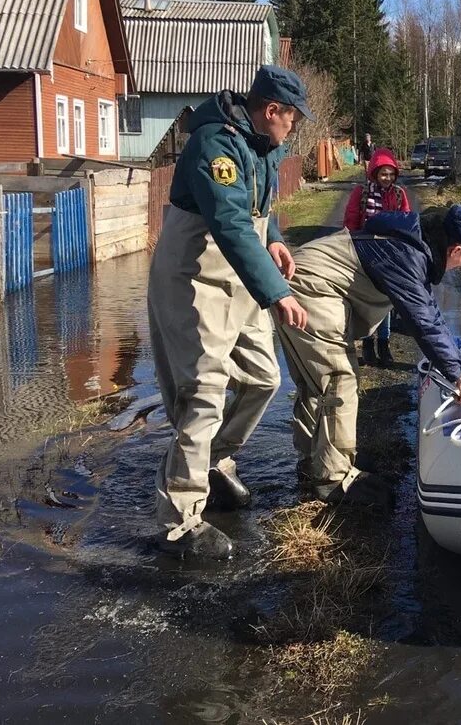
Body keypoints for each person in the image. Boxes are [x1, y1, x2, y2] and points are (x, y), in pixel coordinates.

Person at [148, 64, 313, 561]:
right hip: (195, 279)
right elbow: (229, 220)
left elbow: (261, 210)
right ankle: (179, 522)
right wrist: (276, 291)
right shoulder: (215, 144)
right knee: (202, 392)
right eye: (293, 119)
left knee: (264, 378)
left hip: (241, 275)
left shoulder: (263, 144)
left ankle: (216, 461)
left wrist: (277, 240)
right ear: (271, 111)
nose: (294, 127)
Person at [279, 205, 461, 508]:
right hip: (312, 288)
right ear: (456, 249)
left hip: (303, 279)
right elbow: (422, 321)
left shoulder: (412, 244)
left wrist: (458, 366)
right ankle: (334, 479)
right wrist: (458, 376)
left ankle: (316, 459)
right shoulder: (407, 254)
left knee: (317, 383)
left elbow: (429, 309)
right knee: (338, 379)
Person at [343, 147, 412, 366]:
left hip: (390, 255)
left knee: (386, 300)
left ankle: (384, 343)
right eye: (383, 174)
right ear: (374, 173)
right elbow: (351, 221)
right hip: (364, 253)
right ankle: (367, 343)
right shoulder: (361, 193)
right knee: (365, 301)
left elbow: (407, 223)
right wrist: (351, 245)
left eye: (391, 175)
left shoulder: (399, 194)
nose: (387, 178)